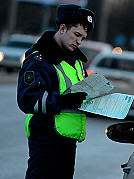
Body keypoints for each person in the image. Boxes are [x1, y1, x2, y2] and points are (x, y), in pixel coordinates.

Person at [17, 4, 95, 178]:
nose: (79, 42)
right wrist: (65, 101)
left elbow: (76, 97)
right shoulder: (39, 59)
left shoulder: (76, 61)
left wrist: (92, 103)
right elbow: (27, 99)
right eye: (76, 35)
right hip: (46, 140)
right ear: (62, 28)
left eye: (83, 38)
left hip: (68, 142)